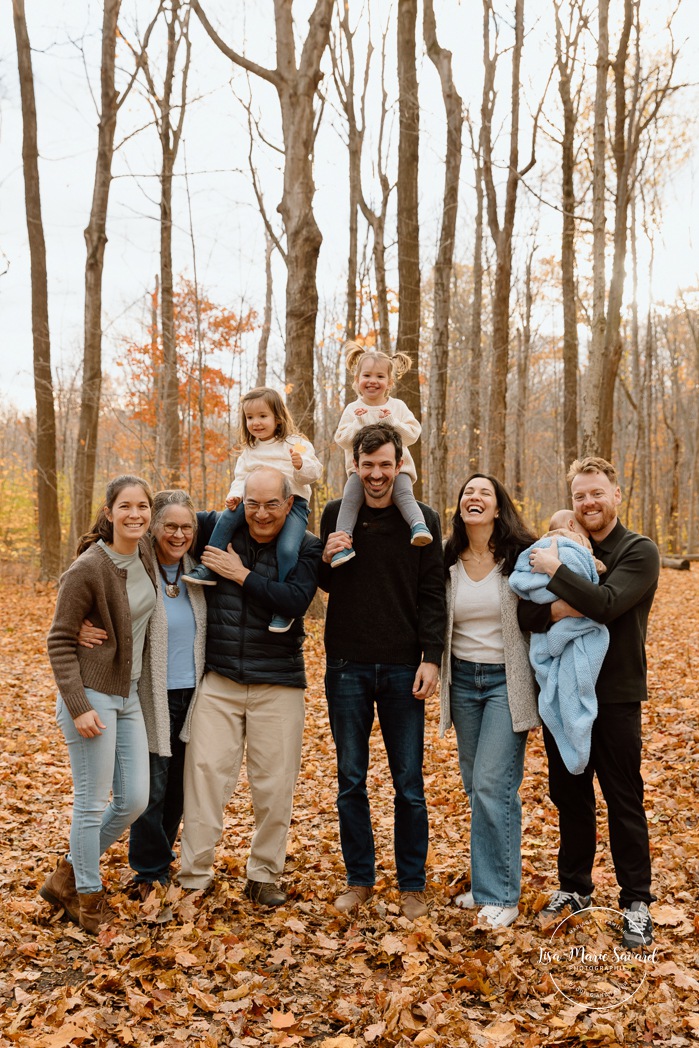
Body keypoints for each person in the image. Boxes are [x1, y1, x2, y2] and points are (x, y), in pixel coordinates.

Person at [519, 457, 660, 949]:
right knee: (570, 796)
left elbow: (606, 604)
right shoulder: (559, 543)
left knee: (623, 798)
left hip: (616, 695)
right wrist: (561, 602)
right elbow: (525, 614)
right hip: (562, 693)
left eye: (597, 493)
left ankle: (636, 902)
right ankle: (575, 888)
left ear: (616, 495)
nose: (589, 503)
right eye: (579, 496)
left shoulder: (638, 551)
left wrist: (555, 574)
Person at [177, 465, 323, 906]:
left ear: (289, 503)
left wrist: (240, 574)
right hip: (219, 679)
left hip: (278, 683)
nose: (261, 513)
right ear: (241, 500)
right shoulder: (217, 530)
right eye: (253, 503)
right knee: (203, 777)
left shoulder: (306, 546)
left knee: (274, 785)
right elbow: (159, 524)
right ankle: (194, 876)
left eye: (272, 504)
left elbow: (296, 600)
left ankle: (263, 875)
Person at [319, 423, 446, 920]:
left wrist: (431, 657)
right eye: (367, 465)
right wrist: (326, 557)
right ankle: (360, 880)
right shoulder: (337, 514)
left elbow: (433, 593)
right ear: (355, 466)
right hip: (346, 663)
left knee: (408, 782)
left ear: (399, 466)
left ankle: (412, 884)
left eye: (385, 465)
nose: (376, 474)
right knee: (350, 779)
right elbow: (327, 583)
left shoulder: (423, 520)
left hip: (402, 666)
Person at [77, 489, 209, 897]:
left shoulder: (199, 570)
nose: (178, 534)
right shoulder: (137, 564)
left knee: (178, 790)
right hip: (147, 693)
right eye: (169, 526)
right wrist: (81, 623)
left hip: (193, 695)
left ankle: (159, 862)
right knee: (150, 789)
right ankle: (148, 872)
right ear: (154, 527)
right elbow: (90, 578)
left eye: (186, 527)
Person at [40, 475, 157, 933]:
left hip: (128, 696)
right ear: (109, 512)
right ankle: (87, 898)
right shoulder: (89, 567)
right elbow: (58, 640)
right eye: (125, 506)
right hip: (91, 697)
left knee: (134, 800)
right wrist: (77, 704)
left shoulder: (145, 552)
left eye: (142, 506)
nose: (135, 514)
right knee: (90, 804)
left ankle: (66, 875)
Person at [439, 474, 539, 930]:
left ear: (498, 508)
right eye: (468, 492)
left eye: (485, 493)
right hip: (463, 681)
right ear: (460, 507)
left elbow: (567, 565)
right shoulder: (447, 559)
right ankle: (485, 886)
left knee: (493, 785)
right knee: (475, 786)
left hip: (505, 683)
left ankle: (503, 896)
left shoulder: (520, 556)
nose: (474, 497)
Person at [182, 386, 322, 634]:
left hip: (293, 503)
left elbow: (314, 473)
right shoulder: (250, 451)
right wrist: (234, 496)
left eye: (262, 416)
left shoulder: (295, 443)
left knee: (288, 548)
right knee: (227, 518)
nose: (255, 422)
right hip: (251, 500)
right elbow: (240, 479)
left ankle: (283, 609)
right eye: (250, 417)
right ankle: (210, 567)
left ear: (278, 418)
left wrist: (301, 465)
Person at [330, 342, 432, 567]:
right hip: (360, 472)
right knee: (350, 499)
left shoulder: (397, 407)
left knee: (403, 494)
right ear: (357, 380)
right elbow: (342, 440)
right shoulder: (352, 409)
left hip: (398, 470)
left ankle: (418, 526)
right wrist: (358, 422)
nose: (372, 381)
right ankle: (343, 543)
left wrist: (392, 421)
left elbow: (412, 435)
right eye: (367, 375)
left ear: (390, 382)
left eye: (380, 376)